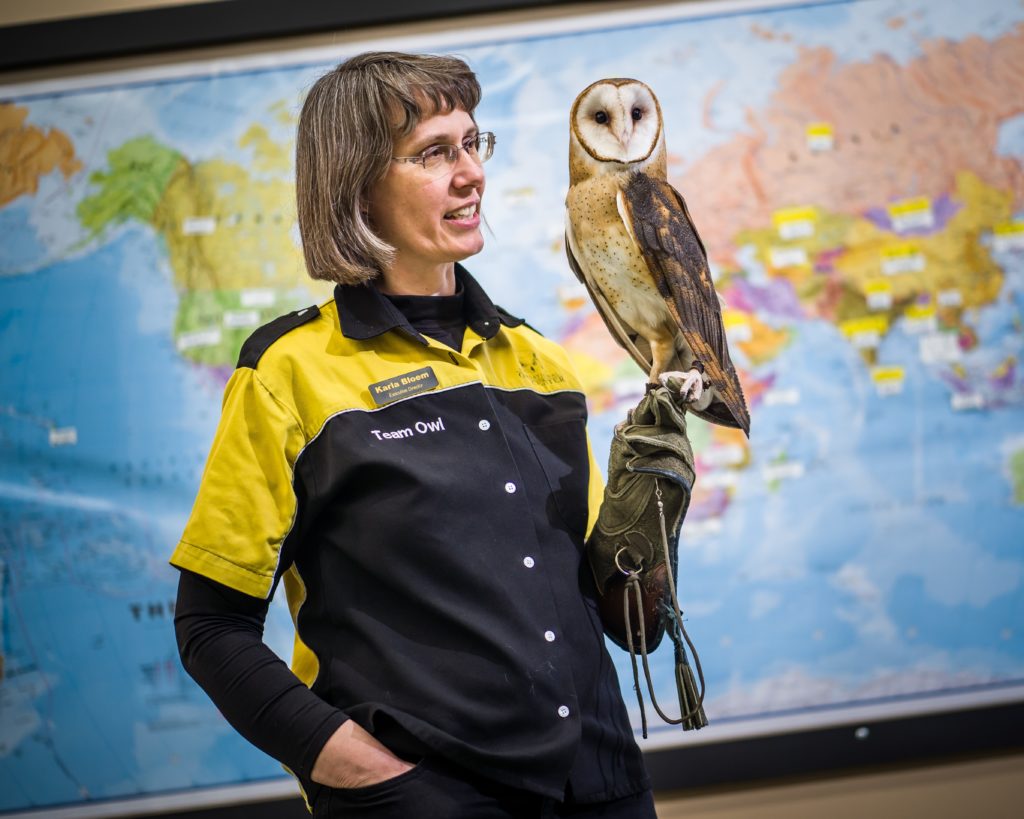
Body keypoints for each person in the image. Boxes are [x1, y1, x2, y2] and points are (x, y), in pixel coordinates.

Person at [171, 51, 655, 818]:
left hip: (601, 789)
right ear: (357, 182)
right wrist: (357, 770)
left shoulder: (540, 363)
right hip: (429, 803)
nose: (471, 174)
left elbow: (625, 618)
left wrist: (655, 510)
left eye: (473, 143)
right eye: (435, 153)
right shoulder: (289, 372)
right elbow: (210, 625)